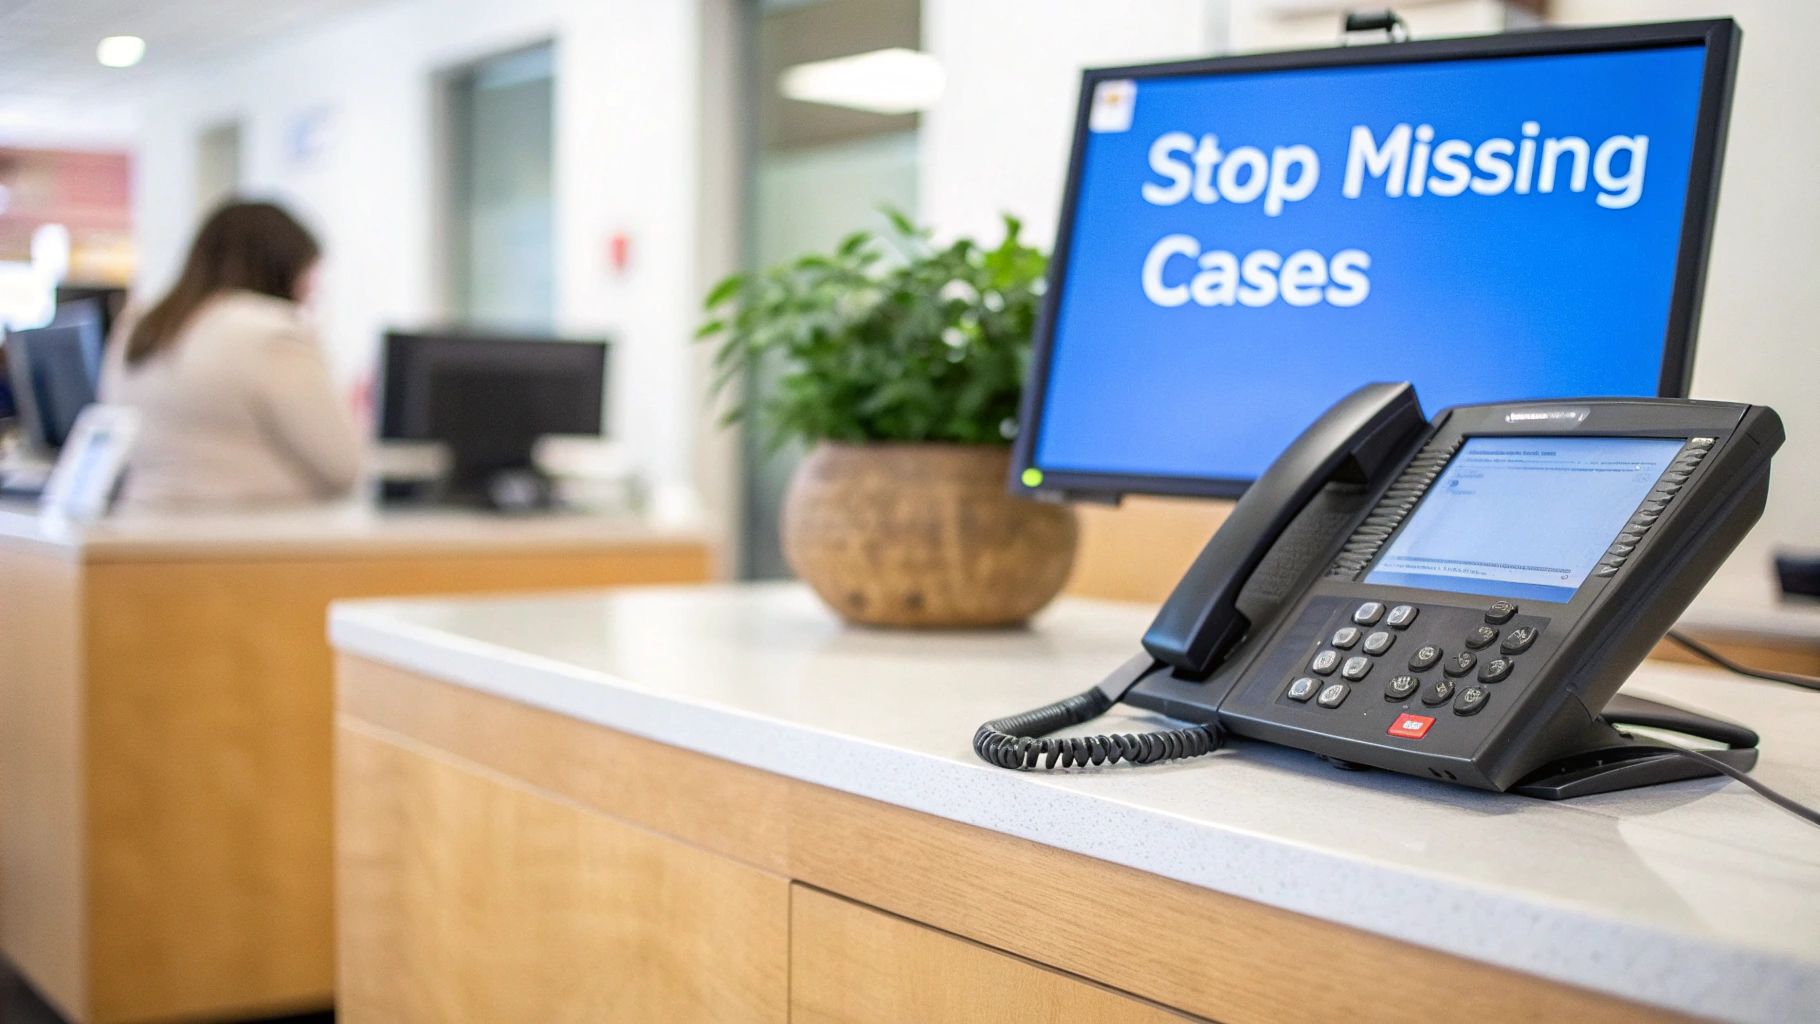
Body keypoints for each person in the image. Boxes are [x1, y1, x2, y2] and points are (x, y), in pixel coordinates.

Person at [102, 201, 362, 508]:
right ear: (282, 266)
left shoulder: (142, 328)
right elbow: (343, 468)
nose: (311, 292)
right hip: (247, 538)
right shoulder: (271, 333)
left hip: (145, 529)